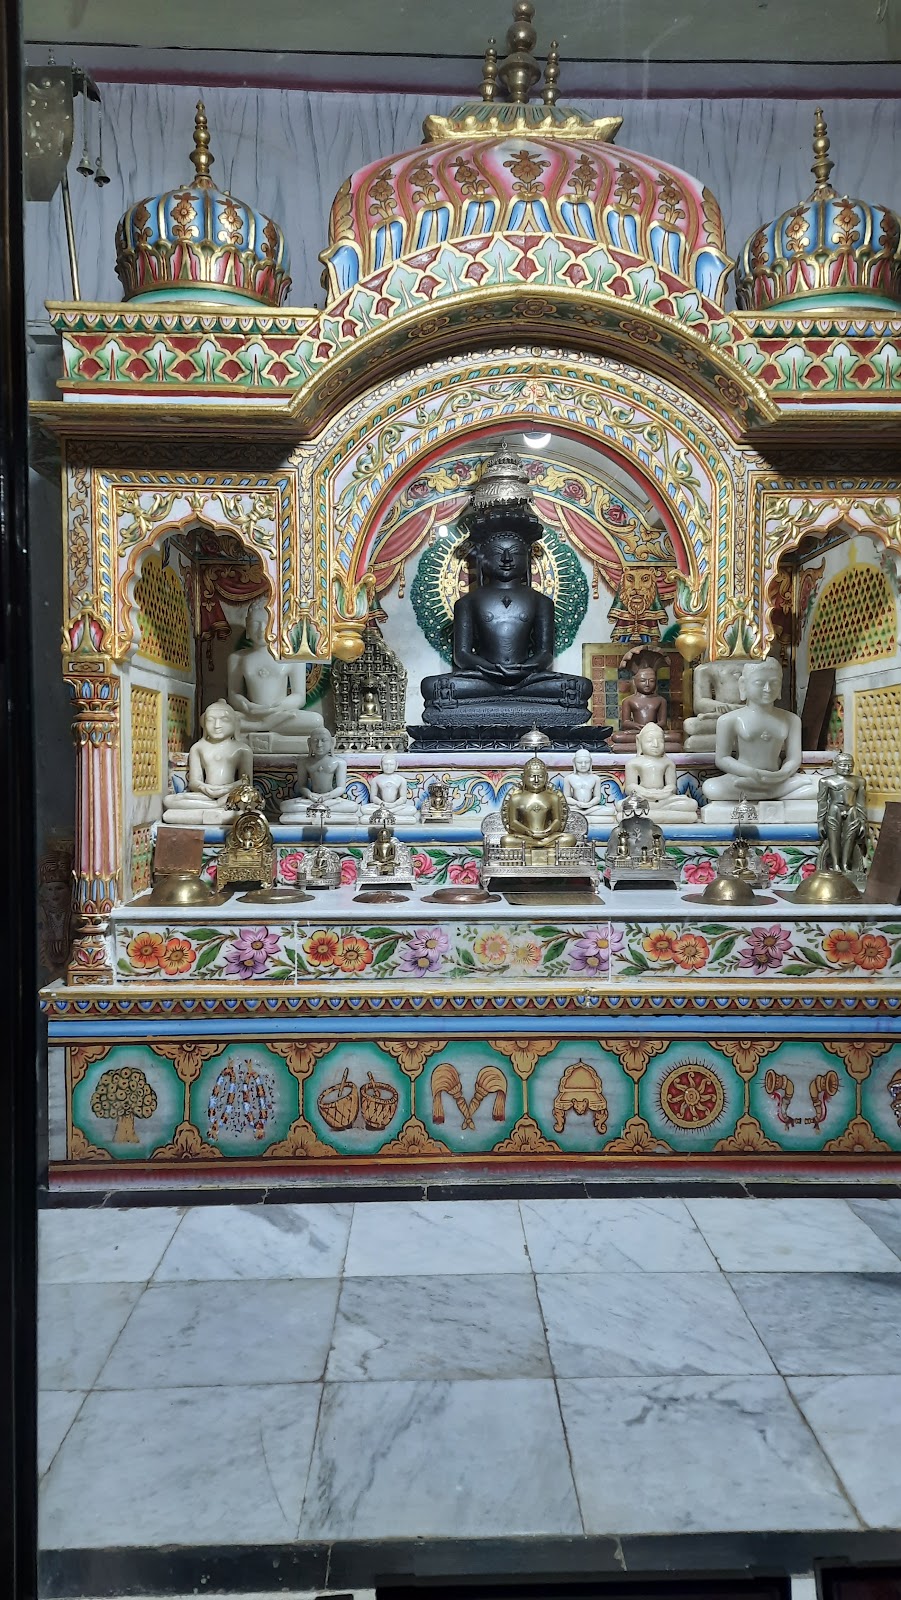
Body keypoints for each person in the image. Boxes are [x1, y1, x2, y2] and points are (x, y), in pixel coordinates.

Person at [702, 657, 816, 805]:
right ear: (743, 685)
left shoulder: (791, 719)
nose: (768, 689)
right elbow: (722, 759)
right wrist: (752, 773)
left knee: (822, 785)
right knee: (711, 787)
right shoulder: (729, 720)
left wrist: (783, 774)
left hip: (779, 779)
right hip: (743, 777)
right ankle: (774, 793)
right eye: (759, 683)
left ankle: (769, 792)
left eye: (774, 683)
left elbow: (793, 758)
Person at [227, 598, 324, 748]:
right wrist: (247, 706)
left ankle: (259, 726)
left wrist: (278, 708)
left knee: (316, 720)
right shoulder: (237, 658)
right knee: (216, 718)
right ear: (247, 626)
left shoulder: (292, 657)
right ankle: (261, 725)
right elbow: (234, 694)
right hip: (250, 715)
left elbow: (299, 696)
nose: (261, 629)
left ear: (278, 626)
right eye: (255, 624)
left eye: (267, 623)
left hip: (281, 714)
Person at [162, 701, 252, 824]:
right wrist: (205, 788)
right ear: (204, 723)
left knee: (247, 800)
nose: (217, 725)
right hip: (206, 796)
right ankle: (216, 808)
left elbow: (247, 782)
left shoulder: (243, 749)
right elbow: (194, 782)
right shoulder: (198, 748)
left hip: (230, 795)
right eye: (210, 720)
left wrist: (226, 789)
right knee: (168, 800)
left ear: (235, 723)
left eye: (224, 720)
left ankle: (213, 811)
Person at [500, 756, 578, 852]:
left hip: (548, 837)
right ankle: (539, 844)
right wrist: (528, 832)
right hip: (526, 837)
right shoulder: (516, 798)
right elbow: (513, 823)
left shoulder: (553, 797)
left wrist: (547, 831)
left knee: (570, 839)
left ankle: (538, 844)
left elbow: (557, 821)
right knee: (506, 840)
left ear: (546, 777)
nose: (536, 780)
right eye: (532, 776)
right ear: (523, 777)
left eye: (540, 776)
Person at [623, 724, 698, 822]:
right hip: (643, 798)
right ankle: (667, 815)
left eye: (660, 741)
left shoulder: (668, 763)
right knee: (623, 805)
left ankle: (648, 815)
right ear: (640, 742)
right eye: (649, 741)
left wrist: (665, 791)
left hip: (664, 799)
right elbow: (629, 787)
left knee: (691, 804)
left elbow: (672, 786)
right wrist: (645, 792)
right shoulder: (633, 763)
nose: (655, 744)